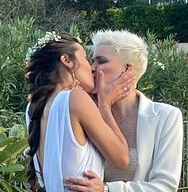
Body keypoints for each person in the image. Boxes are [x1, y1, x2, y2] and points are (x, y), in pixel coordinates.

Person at [65, 30, 184, 192]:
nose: (92, 68)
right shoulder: (85, 111)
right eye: (92, 61)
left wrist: (106, 189)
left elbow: (165, 186)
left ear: (127, 69)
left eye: (101, 61)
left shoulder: (166, 116)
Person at [25, 31, 136, 192]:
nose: (91, 68)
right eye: (85, 58)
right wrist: (105, 105)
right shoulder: (75, 99)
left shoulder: (33, 106)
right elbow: (121, 160)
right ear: (67, 60)